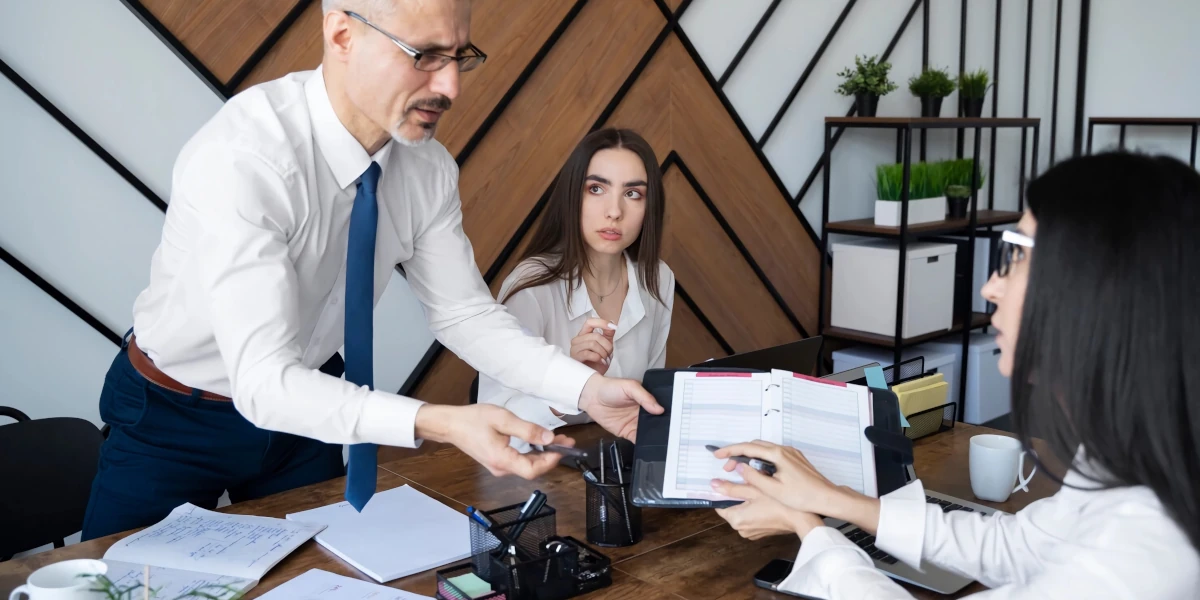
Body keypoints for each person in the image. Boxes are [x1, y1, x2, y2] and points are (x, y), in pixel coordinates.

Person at [81, 0, 662, 541]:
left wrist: (586, 389)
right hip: (173, 416)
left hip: (310, 412)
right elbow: (263, 382)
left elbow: (463, 313)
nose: (451, 87)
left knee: (324, 579)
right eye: (424, 55)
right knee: (118, 586)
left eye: (458, 57)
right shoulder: (247, 157)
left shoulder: (427, 169)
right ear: (342, 35)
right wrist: (442, 422)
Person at [709, 151, 1200, 598]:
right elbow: (1020, 547)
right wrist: (835, 500)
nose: (990, 287)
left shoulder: (1141, 559)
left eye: (1018, 254)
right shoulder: (1131, 458)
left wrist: (809, 527)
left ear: (1096, 287)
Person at [477, 128, 674, 447]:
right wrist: (571, 386)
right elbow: (495, 423)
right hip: (538, 461)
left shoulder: (658, 278)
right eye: (596, 189)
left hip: (620, 457)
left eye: (632, 193)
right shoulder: (532, 286)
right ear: (573, 197)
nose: (614, 211)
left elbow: (647, 402)